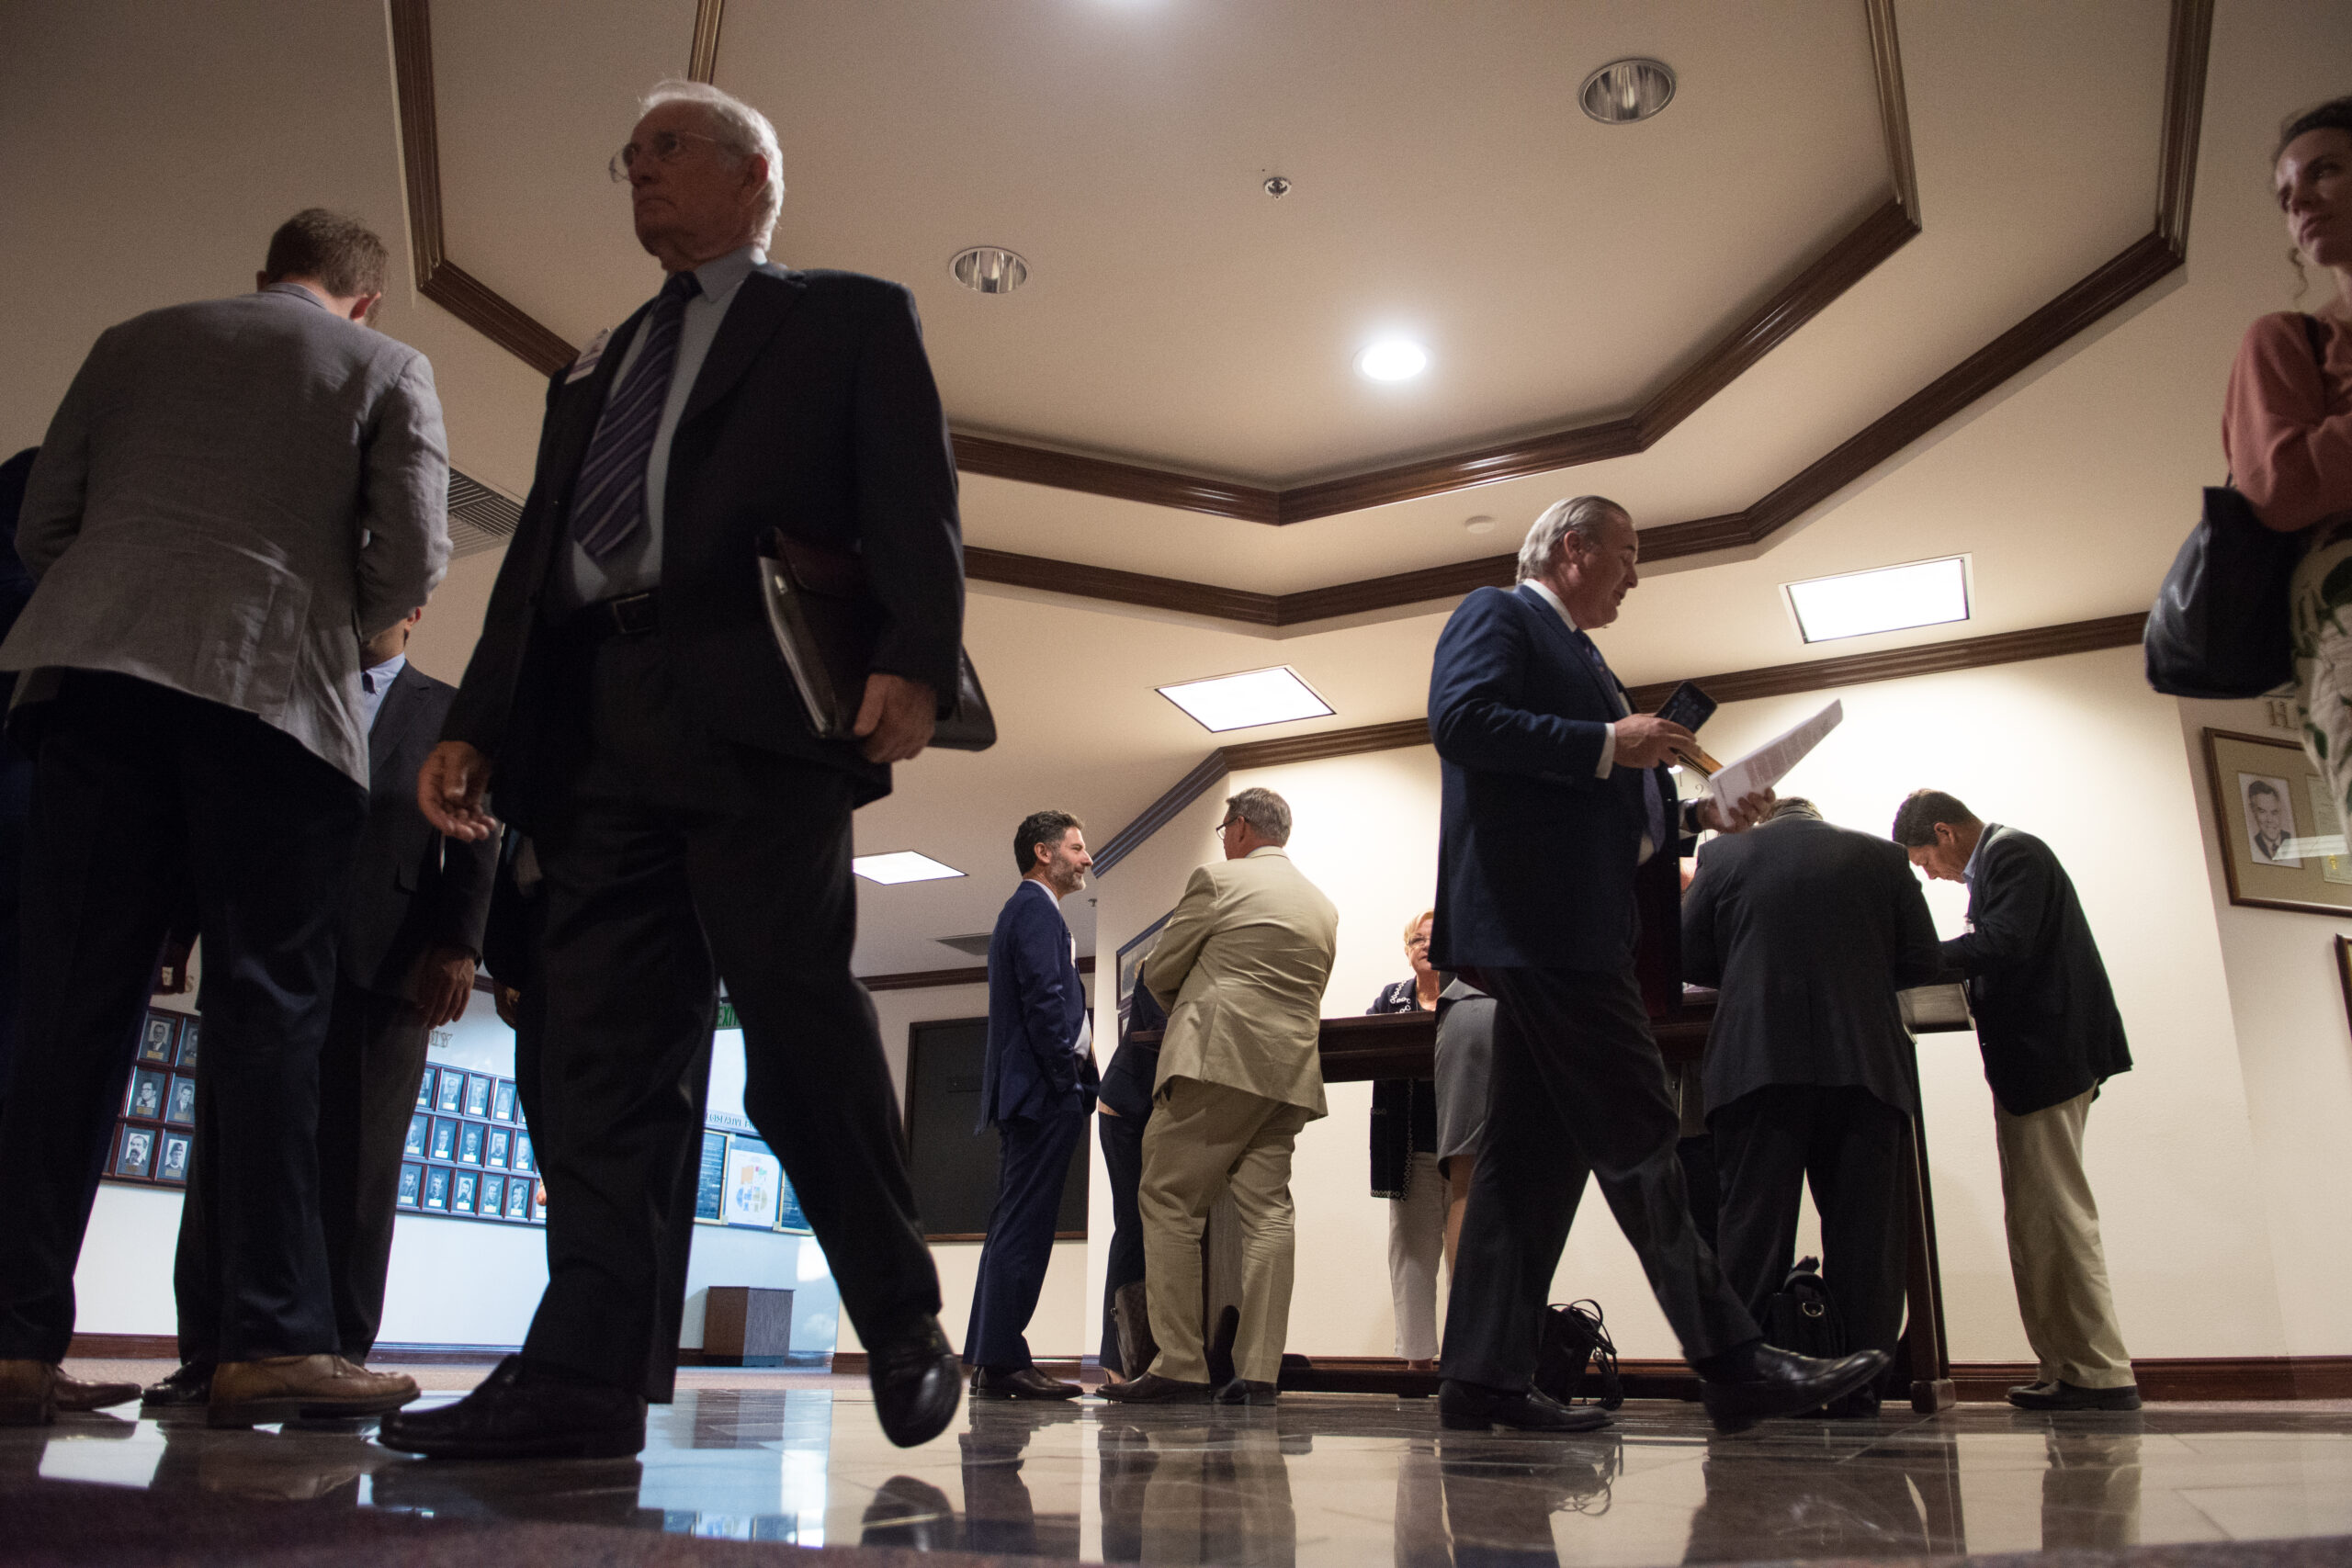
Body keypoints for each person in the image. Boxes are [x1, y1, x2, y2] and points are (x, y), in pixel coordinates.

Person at [395, 79, 963, 1459]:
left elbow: (913, 492)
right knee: (592, 1052)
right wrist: (474, 713)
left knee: (794, 1025)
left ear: (754, 173)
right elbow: (536, 555)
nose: (637, 173)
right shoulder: (592, 364)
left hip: (760, 709)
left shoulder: (846, 315)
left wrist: (918, 651)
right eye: (629, 158)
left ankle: (898, 1311)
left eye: (667, 151)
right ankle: (584, 1369)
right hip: (594, 717)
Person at [0, 209, 446, 1429]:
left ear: (265, 276)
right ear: (367, 302)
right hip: (264, 700)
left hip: (91, 691)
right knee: (269, 1016)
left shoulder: (133, 339)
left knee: (68, 1012)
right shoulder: (383, 369)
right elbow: (410, 560)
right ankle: (267, 1336)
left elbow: (45, 527)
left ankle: (14, 1338)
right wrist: (317, 610)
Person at [1428, 494, 1885, 1436]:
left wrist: (1692, 817)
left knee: (1530, 1161)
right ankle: (1729, 1358)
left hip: (1563, 926)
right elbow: (1462, 722)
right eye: (1628, 555)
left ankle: (1482, 1378)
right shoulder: (1498, 614)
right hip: (1541, 926)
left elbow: (1592, 810)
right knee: (1641, 1129)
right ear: (1571, 547)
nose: (1637, 576)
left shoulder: (1589, 660)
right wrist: (1610, 742)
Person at [145, 607, 496, 1411]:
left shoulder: (446, 715)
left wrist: (459, 943)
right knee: (228, 1154)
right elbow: (222, 819)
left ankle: (336, 1350)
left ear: (414, 613)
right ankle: (210, 1351)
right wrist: (180, 923)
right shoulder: (281, 694)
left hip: (387, 963)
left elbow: (480, 836)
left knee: (360, 1168)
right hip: (266, 954)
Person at [1679, 797, 1942, 1412]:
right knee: (1866, 1238)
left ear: (1769, 824)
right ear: (1820, 819)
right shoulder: (1882, 856)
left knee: (1749, 1232)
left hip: (1757, 1062)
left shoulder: (1722, 853)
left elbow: (1691, 957)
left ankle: (1738, 1387)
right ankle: (1862, 1387)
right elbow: (1924, 961)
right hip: (1865, 1063)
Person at [1892, 790, 2139, 1411]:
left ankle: (2100, 1373)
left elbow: (2004, 942)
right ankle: (2067, 1365)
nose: (1931, 874)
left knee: (2057, 1216)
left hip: (2049, 1060)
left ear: (1945, 833)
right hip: (2038, 1064)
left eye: (1925, 860)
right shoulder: (2005, 860)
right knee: (2036, 1219)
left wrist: (1905, 959)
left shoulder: (2015, 853)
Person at [1103, 788, 1338, 1406]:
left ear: (1237, 828)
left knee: (1168, 1197)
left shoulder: (1218, 880)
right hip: (1287, 1075)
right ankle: (1259, 1367)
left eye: (1222, 827)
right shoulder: (1322, 905)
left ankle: (1179, 1360)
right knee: (1268, 1211)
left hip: (1218, 1061)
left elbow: (1161, 971)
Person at [2233, 99, 2352, 826]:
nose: (2299, 200)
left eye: (2327, 171)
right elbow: (2281, 487)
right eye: (2285, 196)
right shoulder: (2286, 341)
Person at [967, 811, 1098, 1399]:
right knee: (1024, 1226)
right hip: (1043, 1094)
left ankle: (995, 1356)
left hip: (1035, 1092)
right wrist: (1068, 1081)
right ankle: (1001, 1361)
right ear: (1043, 854)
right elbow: (1047, 1006)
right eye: (1076, 847)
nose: (1086, 857)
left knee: (1014, 1223)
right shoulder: (1034, 910)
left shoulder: (1032, 912)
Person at [1366, 911, 1442, 1371]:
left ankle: (1468, 1358)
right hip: (1409, 1148)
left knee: (1468, 1257)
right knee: (1412, 1256)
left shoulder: (1468, 993)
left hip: (1466, 1144)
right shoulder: (1390, 998)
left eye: (1434, 938)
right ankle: (1417, 1362)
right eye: (1417, 938)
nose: (1424, 945)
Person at [1094, 978, 1163, 1382]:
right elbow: (1162, 1027)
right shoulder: (1159, 966)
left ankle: (1131, 1353)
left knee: (1145, 1227)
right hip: (1124, 1109)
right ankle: (1115, 1359)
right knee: (1133, 1226)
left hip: (1145, 1109)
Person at [2245, 779, 2296, 864]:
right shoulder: (2252, 846)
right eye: (2262, 811)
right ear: (2252, 810)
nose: (2269, 820)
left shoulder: (2291, 841)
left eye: (2274, 812)